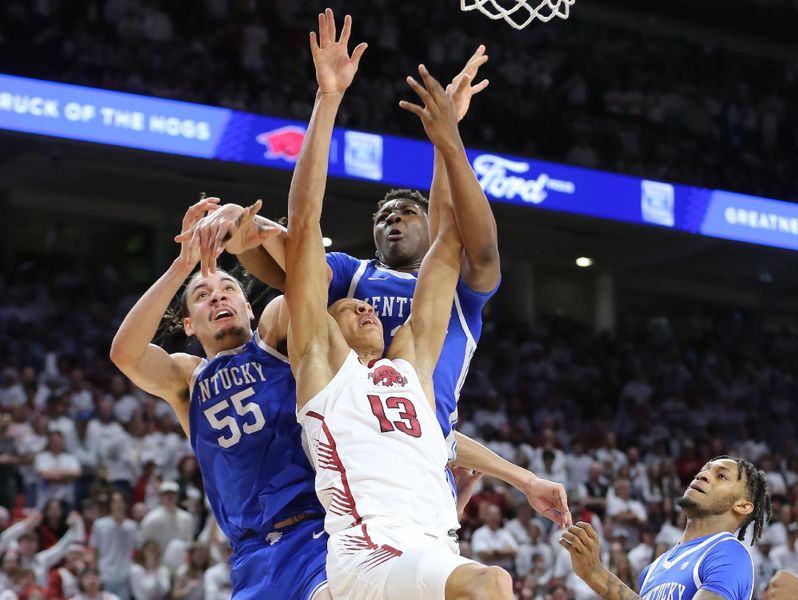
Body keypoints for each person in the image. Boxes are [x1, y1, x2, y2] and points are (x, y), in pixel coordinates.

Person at [284, 9, 515, 597]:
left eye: (364, 310)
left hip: (431, 541)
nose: (362, 310)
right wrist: (328, 98)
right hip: (372, 546)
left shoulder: (409, 363)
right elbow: (304, 223)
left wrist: (447, 140)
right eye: (347, 310)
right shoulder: (320, 367)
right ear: (325, 325)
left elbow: (448, 243)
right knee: (492, 584)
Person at [110, 197, 330, 600]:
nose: (217, 297)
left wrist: (245, 222)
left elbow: (313, 281)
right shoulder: (187, 378)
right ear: (190, 325)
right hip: (250, 556)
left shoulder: (275, 337)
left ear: (248, 307)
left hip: (316, 533)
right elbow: (125, 353)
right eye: (202, 295)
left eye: (227, 288)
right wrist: (183, 265)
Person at [560, 456, 771, 600]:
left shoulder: (729, 554)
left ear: (743, 506)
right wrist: (591, 573)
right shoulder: (653, 569)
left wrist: (595, 574)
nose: (702, 475)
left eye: (721, 476)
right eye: (703, 471)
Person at [89, 491, 137, 599]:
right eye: (115, 502)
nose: (118, 505)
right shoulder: (99, 525)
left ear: (125, 504)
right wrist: (94, 573)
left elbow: (137, 550)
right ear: (110, 504)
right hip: (105, 576)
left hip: (124, 577)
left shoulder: (132, 526)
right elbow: (94, 551)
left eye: (120, 502)